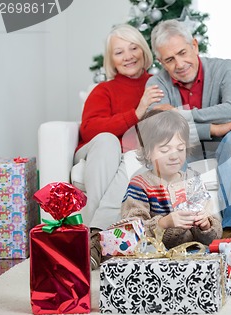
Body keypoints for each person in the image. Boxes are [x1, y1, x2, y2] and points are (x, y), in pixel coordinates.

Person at [122, 110, 231, 289]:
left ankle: (229, 275)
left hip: (194, 252)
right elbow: (131, 230)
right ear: (148, 152)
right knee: (146, 262)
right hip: (161, 255)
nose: (174, 155)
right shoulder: (140, 184)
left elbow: (213, 234)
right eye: (165, 149)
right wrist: (164, 223)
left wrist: (206, 225)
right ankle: (222, 278)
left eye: (180, 149)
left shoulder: (192, 179)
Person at [146, 19, 231, 244]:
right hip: (187, 148)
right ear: (160, 62)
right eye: (169, 59)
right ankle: (181, 235)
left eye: (183, 52)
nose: (179, 63)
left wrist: (180, 113)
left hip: (225, 146)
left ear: (195, 46)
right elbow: (160, 127)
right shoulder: (156, 83)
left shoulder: (225, 67)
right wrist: (214, 128)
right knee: (170, 145)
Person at [76, 24, 164, 270]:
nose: (128, 56)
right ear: (111, 60)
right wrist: (136, 113)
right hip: (97, 149)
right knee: (107, 140)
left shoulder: (158, 85)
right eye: (119, 52)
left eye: (133, 48)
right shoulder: (104, 90)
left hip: (134, 154)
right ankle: (94, 233)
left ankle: (97, 238)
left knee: (134, 157)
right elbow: (90, 129)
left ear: (144, 51)